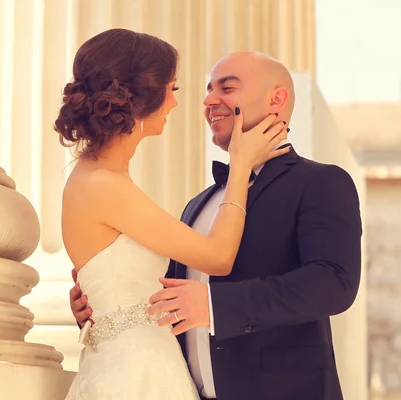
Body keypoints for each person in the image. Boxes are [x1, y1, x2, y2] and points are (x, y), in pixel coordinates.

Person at [70, 50, 362, 400]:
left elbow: (333, 283)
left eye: (227, 87)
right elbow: (168, 297)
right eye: (209, 90)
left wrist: (214, 305)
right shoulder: (199, 204)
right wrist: (101, 307)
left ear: (277, 99)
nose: (209, 100)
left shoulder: (321, 182)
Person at [57, 29, 288, 400]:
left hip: (136, 364)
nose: (176, 104)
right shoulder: (104, 185)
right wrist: (241, 166)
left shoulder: (100, 179)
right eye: (173, 89)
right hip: (136, 374)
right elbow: (217, 257)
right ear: (142, 96)